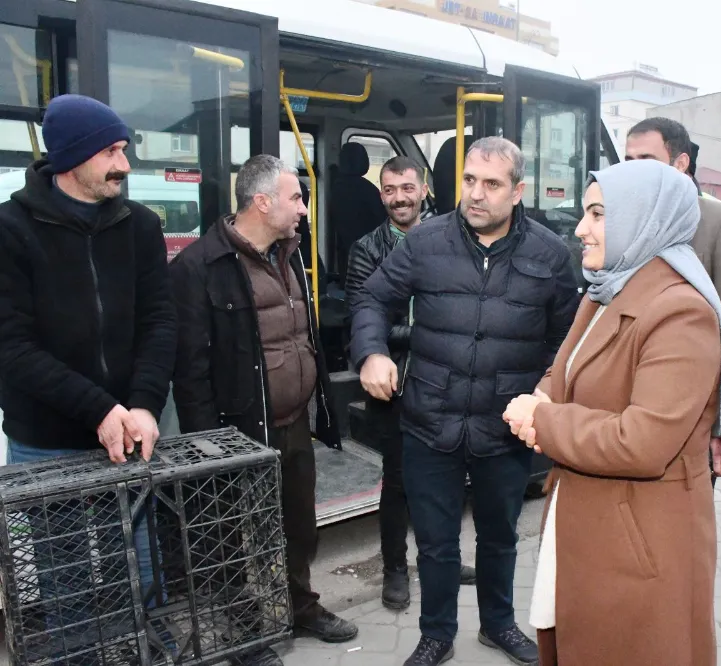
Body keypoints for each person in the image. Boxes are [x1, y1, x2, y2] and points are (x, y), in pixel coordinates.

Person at [351, 137, 579, 666]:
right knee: (435, 542)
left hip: (506, 426)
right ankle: (436, 634)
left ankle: (499, 625)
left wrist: (545, 387)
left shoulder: (549, 253)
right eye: (470, 180)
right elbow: (373, 297)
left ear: (518, 190)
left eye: (492, 184)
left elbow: (569, 338)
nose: (476, 195)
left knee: (500, 536)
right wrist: (370, 351)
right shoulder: (426, 242)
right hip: (430, 421)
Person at [503, 158, 721, 665]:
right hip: (592, 523)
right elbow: (567, 368)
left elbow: (643, 442)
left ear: (644, 218)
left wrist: (543, 421)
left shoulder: (681, 312)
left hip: (639, 545)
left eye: (597, 214)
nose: (581, 229)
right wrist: (544, 395)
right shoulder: (608, 288)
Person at [0, 94, 176, 657]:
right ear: (71, 157)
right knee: (66, 578)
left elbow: (159, 322)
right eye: (110, 151)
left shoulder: (140, 225)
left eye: (123, 148)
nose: (123, 164)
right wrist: (99, 408)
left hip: (131, 434)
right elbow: (12, 346)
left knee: (143, 566)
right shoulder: (10, 230)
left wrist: (145, 404)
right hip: (47, 443)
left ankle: (147, 647)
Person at [170, 155, 358, 666]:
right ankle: (244, 627)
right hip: (237, 432)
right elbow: (189, 373)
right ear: (262, 202)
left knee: (299, 524)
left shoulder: (292, 252)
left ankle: (300, 606)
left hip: (294, 422)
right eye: (296, 197)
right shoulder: (198, 267)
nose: (303, 208)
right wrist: (209, 448)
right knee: (233, 534)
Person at [345, 156, 476, 612]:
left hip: (449, 377)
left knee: (448, 474)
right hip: (394, 380)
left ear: (423, 190)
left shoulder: (453, 238)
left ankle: (443, 559)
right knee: (398, 481)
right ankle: (395, 571)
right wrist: (432, 333)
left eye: (406, 187)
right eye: (388, 189)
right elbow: (364, 316)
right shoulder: (366, 249)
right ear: (380, 194)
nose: (398, 197)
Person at [625, 118, 721, 485]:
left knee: (678, 534)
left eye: (647, 158)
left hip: (692, 417)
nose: (634, 168)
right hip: (629, 416)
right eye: (629, 158)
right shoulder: (624, 221)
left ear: (680, 163)